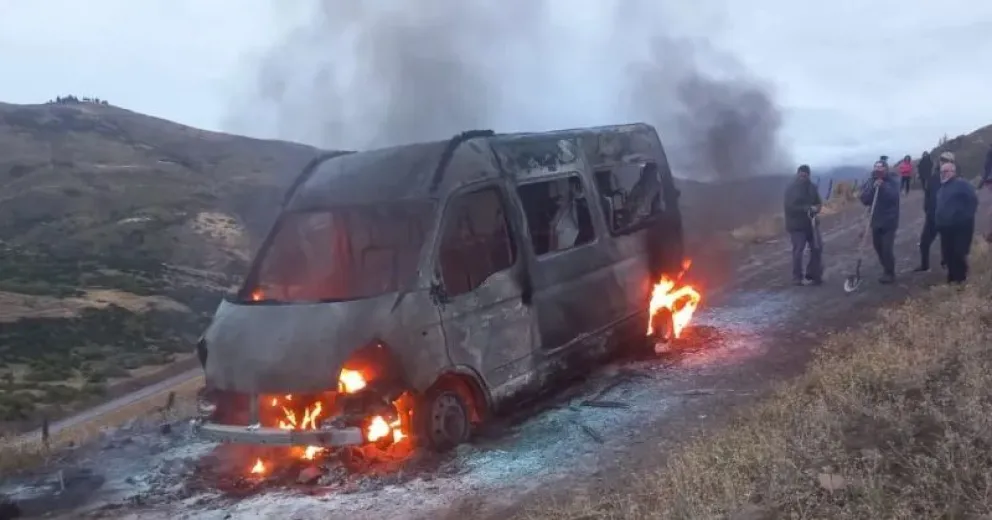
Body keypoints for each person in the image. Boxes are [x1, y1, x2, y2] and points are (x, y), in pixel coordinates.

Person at [935, 161, 978, 284]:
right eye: (942, 172)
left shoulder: (962, 184)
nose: (943, 174)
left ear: (953, 172)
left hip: (961, 226)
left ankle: (961, 280)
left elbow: (973, 201)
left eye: (946, 171)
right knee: (948, 254)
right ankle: (952, 278)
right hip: (945, 227)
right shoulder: (941, 189)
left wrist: (964, 217)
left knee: (959, 252)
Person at [860, 160, 900, 284]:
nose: (878, 170)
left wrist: (883, 187)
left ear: (886, 169)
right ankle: (886, 267)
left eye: (881, 167)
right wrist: (873, 188)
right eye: (876, 167)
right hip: (876, 220)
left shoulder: (893, 180)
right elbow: (865, 199)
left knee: (887, 248)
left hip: (889, 220)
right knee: (878, 247)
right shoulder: (871, 181)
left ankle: (890, 272)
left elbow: (894, 197)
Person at [784, 164, 823, 285]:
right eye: (801, 174)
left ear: (808, 175)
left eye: (805, 174)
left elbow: (818, 202)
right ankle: (797, 277)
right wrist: (806, 208)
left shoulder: (812, 187)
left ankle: (813, 273)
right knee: (798, 250)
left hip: (811, 223)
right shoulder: (791, 188)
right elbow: (789, 207)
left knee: (817, 248)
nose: (803, 176)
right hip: (796, 225)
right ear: (798, 174)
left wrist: (816, 209)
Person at [914, 159, 943, 272]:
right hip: (932, 216)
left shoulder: (955, 180)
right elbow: (928, 195)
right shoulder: (933, 178)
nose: (943, 163)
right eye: (942, 160)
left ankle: (949, 264)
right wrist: (927, 210)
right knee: (924, 242)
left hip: (948, 217)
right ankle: (924, 265)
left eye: (947, 161)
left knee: (948, 242)